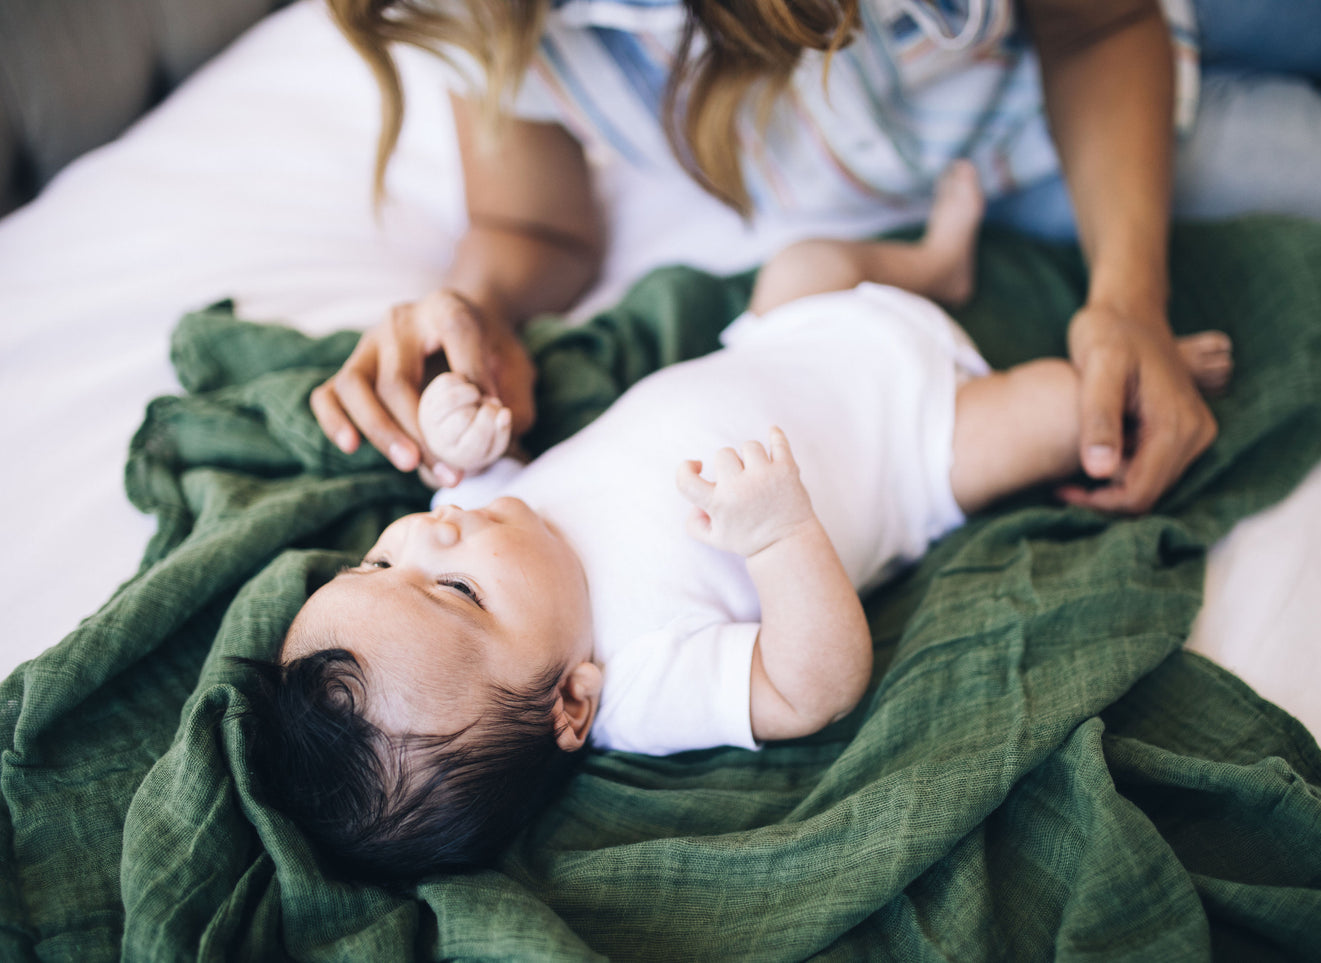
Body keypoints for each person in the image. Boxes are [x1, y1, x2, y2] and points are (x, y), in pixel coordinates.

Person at [243, 163, 1233, 882]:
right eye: (454, 590)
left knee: (805, 259)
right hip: (915, 442)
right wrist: (775, 536)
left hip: (788, 334)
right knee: (1063, 410)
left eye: (380, 558)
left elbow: (479, 467)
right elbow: (812, 687)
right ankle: (1149, 377)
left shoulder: (481, 519)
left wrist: (465, 429)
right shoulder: (637, 679)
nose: (432, 534)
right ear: (568, 706)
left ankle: (935, 265)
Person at [310, 0, 1321, 517]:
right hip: (1013, 150)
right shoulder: (477, 17)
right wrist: (474, 304)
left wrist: (1126, 296)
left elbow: (1098, 26)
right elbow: (541, 228)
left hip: (1091, 49)